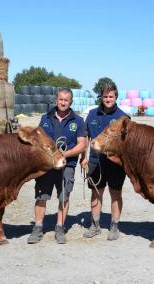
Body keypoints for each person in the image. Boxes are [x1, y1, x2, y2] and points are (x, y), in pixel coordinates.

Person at [27, 88, 87, 244]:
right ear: (56, 100)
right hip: (46, 166)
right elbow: (38, 141)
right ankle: (38, 228)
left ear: (71, 102)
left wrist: (64, 155)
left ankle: (60, 228)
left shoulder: (78, 121)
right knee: (41, 197)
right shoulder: (45, 118)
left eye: (66, 100)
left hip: (67, 165)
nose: (63, 102)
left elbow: (82, 145)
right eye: (60, 99)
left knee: (64, 197)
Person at [81, 83, 130, 240]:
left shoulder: (123, 118)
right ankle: (95, 225)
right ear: (101, 97)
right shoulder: (92, 114)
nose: (108, 99)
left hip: (115, 164)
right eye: (105, 96)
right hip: (95, 162)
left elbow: (128, 143)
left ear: (116, 97)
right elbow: (86, 138)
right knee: (96, 193)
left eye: (111, 96)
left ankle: (114, 227)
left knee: (115, 194)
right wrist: (85, 157)